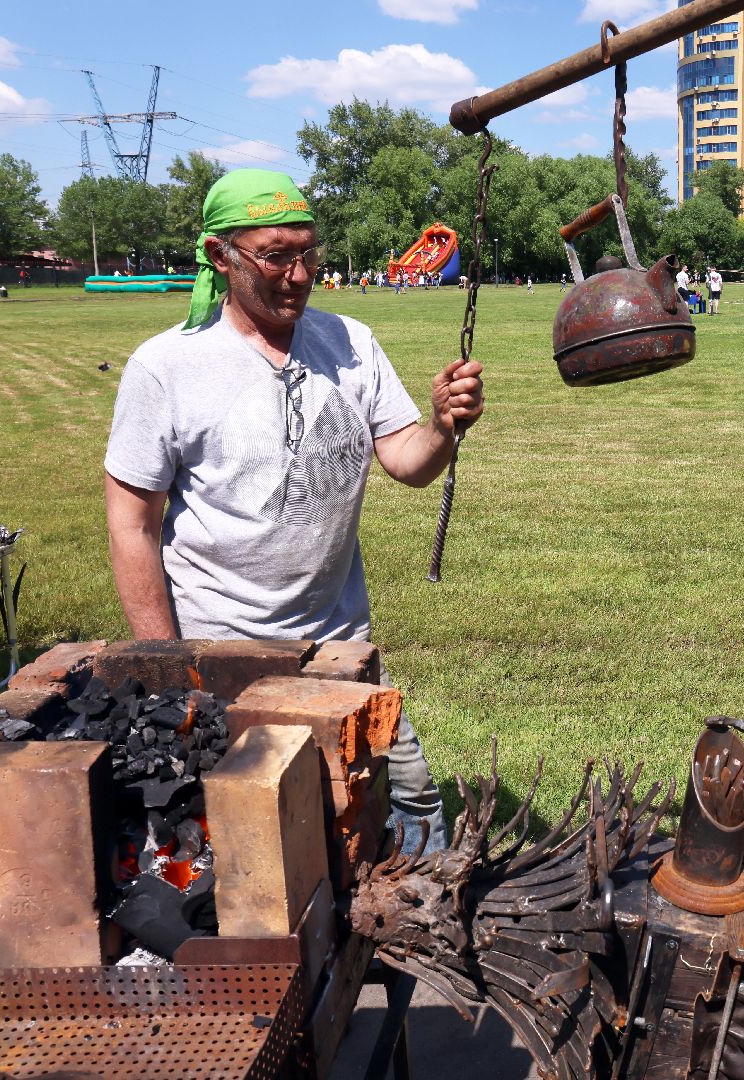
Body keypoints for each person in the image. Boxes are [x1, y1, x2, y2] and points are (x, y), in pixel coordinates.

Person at [104, 169, 483, 856]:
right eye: (275, 256)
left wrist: (441, 426)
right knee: (252, 839)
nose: (300, 275)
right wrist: (168, 669)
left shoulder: (350, 343)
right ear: (220, 256)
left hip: (338, 646)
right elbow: (133, 526)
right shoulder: (166, 367)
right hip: (220, 654)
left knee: (409, 800)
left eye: (309, 253)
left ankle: (418, 914)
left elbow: (407, 462)